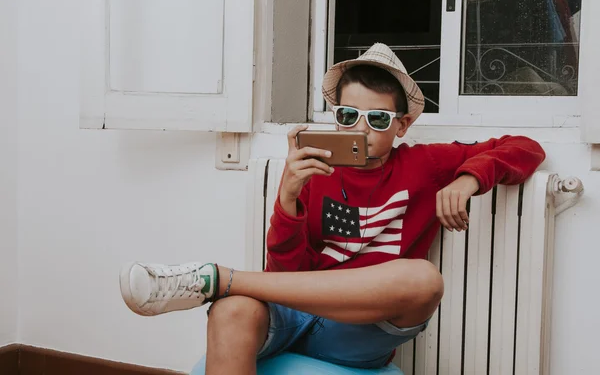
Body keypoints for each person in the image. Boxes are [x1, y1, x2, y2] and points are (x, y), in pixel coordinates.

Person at [119, 43, 546, 375]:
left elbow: (526, 147)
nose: (361, 128)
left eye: (378, 120)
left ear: (403, 125)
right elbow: (286, 280)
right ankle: (225, 288)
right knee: (231, 310)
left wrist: (470, 177)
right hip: (297, 316)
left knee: (423, 279)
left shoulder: (424, 164)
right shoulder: (314, 170)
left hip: (361, 332)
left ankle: (219, 278)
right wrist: (288, 198)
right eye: (347, 115)